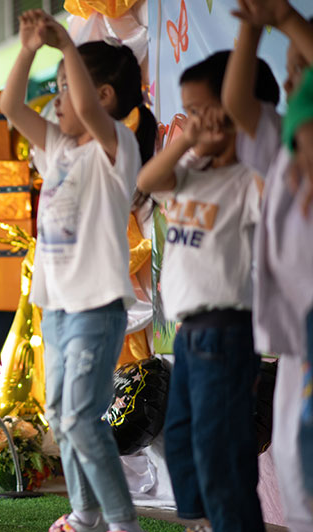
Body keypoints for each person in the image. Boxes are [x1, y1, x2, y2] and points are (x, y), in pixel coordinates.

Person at [0, 9, 156, 532]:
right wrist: (27, 49)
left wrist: (67, 44)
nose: (57, 99)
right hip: (58, 307)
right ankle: (86, 515)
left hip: (96, 308)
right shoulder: (60, 150)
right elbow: (10, 105)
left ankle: (120, 521)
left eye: (66, 89)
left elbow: (86, 107)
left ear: (104, 97)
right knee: (62, 420)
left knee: (82, 420)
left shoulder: (117, 149)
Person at [138, 49, 282, 531]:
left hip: (227, 330)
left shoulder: (248, 180)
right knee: (179, 439)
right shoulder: (190, 172)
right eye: (189, 110)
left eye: (202, 109)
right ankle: (203, 521)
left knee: (223, 452)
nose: (192, 120)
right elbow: (148, 180)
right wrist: (187, 143)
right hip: (190, 333)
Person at [222, 1, 313, 528]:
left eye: (306, 68)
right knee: (297, 472)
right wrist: (255, 28)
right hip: (294, 341)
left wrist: (285, 21)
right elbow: (237, 101)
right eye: (293, 70)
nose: (296, 77)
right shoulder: (278, 141)